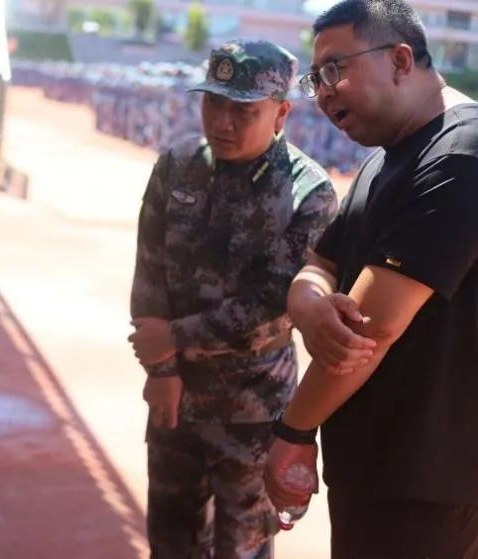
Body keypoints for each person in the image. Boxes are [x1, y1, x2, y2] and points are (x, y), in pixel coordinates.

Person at [263, 1, 478, 557]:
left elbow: (370, 329)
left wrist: (293, 431)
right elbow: (320, 264)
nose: (323, 92)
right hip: (377, 469)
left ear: (401, 60)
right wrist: (309, 305)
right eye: (315, 79)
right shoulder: (385, 160)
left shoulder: (460, 155)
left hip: (428, 486)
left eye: (335, 69)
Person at [129, 39, 337, 558]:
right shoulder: (177, 166)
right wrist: (162, 370)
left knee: (242, 549)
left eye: (243, 111)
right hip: (176, 398)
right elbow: (150, 271)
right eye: (213, 103)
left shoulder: (308, 192)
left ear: (281, 113)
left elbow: (272, 301)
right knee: (170, 543)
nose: (222, 122)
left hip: (254, 413)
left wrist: (172, 337)